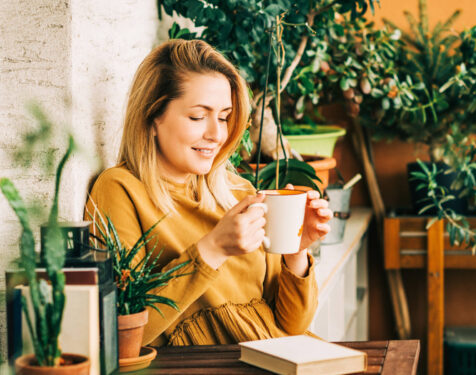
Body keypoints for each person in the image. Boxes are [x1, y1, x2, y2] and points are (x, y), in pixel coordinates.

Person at [85, 39, 331, 346]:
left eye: (224, 117)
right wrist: (212, 249)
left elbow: (292, 328)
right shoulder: (120, 190)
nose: (216, 134)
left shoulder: (239, 191)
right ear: (152, 118)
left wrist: (296, 250)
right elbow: (122, 335)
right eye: (198, 117)